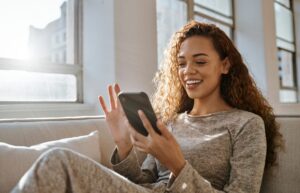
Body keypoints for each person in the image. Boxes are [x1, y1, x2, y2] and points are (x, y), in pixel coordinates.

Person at [12, 21, 284, 193]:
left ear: (225, 65)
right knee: (58, 162)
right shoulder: (173, 123)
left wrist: (178, 165)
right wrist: (124, 145)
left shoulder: (246, 124)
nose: (188, 71)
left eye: (200, 61)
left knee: (58, 160)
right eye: (181, 63)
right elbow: (139, 182)